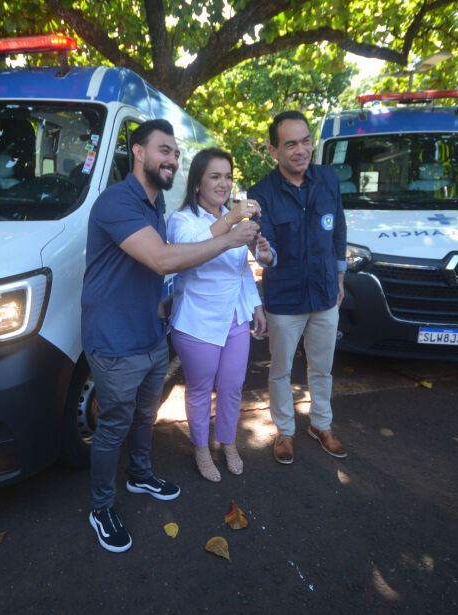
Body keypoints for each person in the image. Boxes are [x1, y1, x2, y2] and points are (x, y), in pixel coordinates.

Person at [81, 119, 258, 552]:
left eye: (176, 154)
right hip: (114, 337)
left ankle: (140, 476)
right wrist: (231, 237)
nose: (172, 160)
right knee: (113, 427)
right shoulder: (116, 201)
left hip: (150, 331)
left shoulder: (154, 203)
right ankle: (101, 507)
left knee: (145, 416)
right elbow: (161, 260)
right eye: (164, 150)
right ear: (138, 152)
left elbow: (157, 270)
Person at [248, 110, 348, 465]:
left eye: (306, 141)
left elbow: (338, 230)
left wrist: (339, 275)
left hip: (324, 294)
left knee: (322, 367)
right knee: (280, 370)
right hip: (285, 299)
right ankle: (285, 431)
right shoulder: (261, 193)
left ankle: (321, 425)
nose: (301, 150)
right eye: (290, 144)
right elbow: (266, 249)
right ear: (274, 151)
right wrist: (266, 254)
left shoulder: (329, 179)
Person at [167, 148, 273, 482]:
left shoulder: (235, 219)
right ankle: (200, 448)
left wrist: (255, 305)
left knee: (232, 386)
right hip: (196, 321)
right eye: (215, 176)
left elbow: (241, 270)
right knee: (199, 388)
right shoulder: (181, 219)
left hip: (235, 318)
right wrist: (230, 224)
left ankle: (227, 442)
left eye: (228, 176)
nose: (223, 183)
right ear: (197, 182)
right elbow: (187, 250)